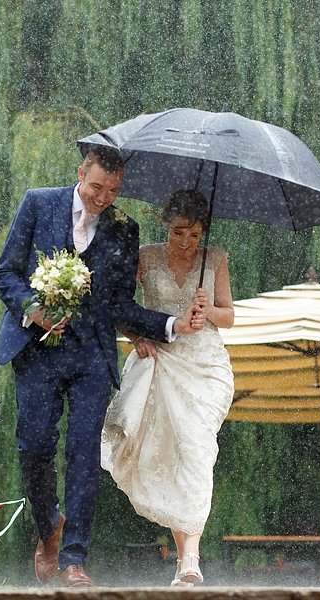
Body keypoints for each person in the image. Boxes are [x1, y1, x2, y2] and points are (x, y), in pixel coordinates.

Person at [0, 147, 206, 588]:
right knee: (33, 445)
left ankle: (73, 560)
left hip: (91, 354)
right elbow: (5, 273)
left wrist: (172, 324)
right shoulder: (38, 203)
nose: (104, 197)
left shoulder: (125, 230)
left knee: (85, 454)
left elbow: (120, 304)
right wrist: (35, 309)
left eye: (113, 190)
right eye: (96, 187)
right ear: (79, 175)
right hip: (37, 348)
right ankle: (49, 522)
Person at [101, 189, 235, 587]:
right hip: (159, 362)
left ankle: (190, 558)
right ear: (166, 224)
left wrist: (207, 309)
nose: (185, 243)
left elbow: (228, 316)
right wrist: (136, 337)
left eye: (194, 235)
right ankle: (185, 560)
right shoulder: (144, 255)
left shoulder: (216, 259)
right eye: (178, 232)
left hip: (205, 368)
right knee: (167, 454)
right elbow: (117, 305)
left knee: (195, 450)